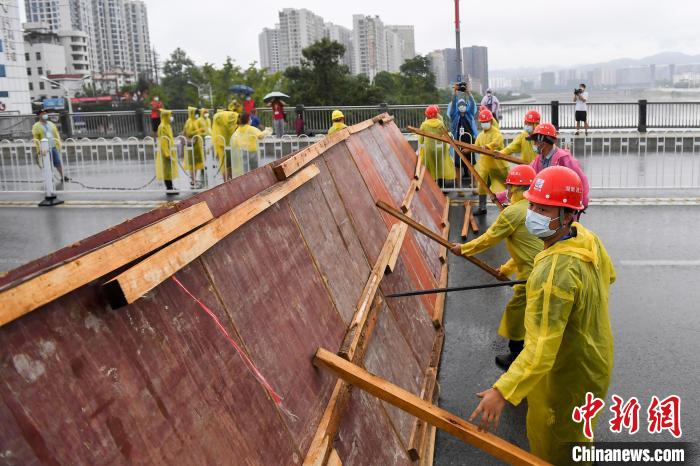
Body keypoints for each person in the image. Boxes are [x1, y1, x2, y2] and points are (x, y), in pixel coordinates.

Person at [469, 166, 615, 466]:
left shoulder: (553, 273)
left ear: (567, 214)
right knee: (579, 436)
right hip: (593, 361)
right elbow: (609, 277)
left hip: (563, 376)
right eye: (532, 204)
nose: (531, 212)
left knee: (554, 449)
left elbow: (540, 348)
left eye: (542, 208)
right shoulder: (587, 239)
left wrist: (502, 390)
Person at [450, 164, 542, 369]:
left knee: (516, 314)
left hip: (533, 277)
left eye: (510, 188)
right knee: (533, 313)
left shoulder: (513, 213)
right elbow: (525, 250)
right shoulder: (535, 208)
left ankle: (518, 357)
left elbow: (488, 239)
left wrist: (463, 249)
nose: (508, 192)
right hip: (540, 269)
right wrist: (506, 270)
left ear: (517, 189)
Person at [527, 123, 590, 209]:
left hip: (563, 205)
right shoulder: (539, 159)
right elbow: (528, 176)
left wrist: (583, 202)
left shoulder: (564, 158)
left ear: (543, 142)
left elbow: (580, 179)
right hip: (546, 204)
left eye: (535, 141)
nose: (533, 144)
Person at [473, 108, 506, 215]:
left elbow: (496, 143)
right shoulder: (480, 135)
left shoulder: (497, 133)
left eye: (486, 121)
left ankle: (509, 207)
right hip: (485, 166)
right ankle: (482, 207)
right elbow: (476, 146)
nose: (484, 124)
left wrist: (487, 146)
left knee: (505, 186)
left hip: (498, 166)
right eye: (482, 122)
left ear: (491, 121)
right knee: (482, 186)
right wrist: (468, 149)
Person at [418, 105, 456, 184]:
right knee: (441, 167)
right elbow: (445, 134)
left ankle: (433, 187)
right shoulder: (440, 123)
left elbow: (421, 139)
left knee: (431, 167)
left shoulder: (424, 124)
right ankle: (441, 186)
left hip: (429, 149)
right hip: (440, 149)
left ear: (427, 115)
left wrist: (421, 144)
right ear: (436, 114)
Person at [448, 83, 478, 181]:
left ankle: (474, 185)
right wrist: (455, 93)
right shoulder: (454, 116)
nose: (462, 106)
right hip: (458, 143)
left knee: (471, 165)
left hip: (469, 143)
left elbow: (473, 104)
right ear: (457, 107)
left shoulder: (469, 115)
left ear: (466, 106)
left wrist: (468, 93)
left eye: (463, 105)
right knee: (458, 166)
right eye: (460, 105)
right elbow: (452, 105)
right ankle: (459, 187)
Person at [32, 110, 66, 181]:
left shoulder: (51, 123)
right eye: (43, 113)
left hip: (53, 146)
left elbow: (56, 133)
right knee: (47, 164)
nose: (45, 115)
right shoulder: (36, 126)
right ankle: (49, 178)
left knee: (57, 162)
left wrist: (59, 141)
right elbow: (36, 138)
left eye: (45, 113)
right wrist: (39, 149)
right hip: (44, 148)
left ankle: (63, 176)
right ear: (39, 115)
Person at [155, 109, 178, 195]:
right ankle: (169, 188)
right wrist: (167, 153)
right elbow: (163, 141)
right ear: (165, 116)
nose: (171, 117)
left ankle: (171, 187)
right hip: (166, 152)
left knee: (169, 169)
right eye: (169, 115)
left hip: (170, 150)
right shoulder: (162, 127)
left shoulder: (167, 126)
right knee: (167, 170)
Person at [212, 109, 238, 180]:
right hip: (230, 144)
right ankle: (231, 181)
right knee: (231, 165)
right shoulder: (231, 121)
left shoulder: (218, 121)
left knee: (224, 166)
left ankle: (226, 182)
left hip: (220, 144)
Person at [182, 107, 204, 187]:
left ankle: (194, 180)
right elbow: (188, 133)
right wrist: (198, 131)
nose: (197, 115)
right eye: (196, 113)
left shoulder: (194, 121)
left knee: (196, 164)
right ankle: (193, 181)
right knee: (192, 164)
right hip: (192, 146)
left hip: (197, 145)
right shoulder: (189, 122)